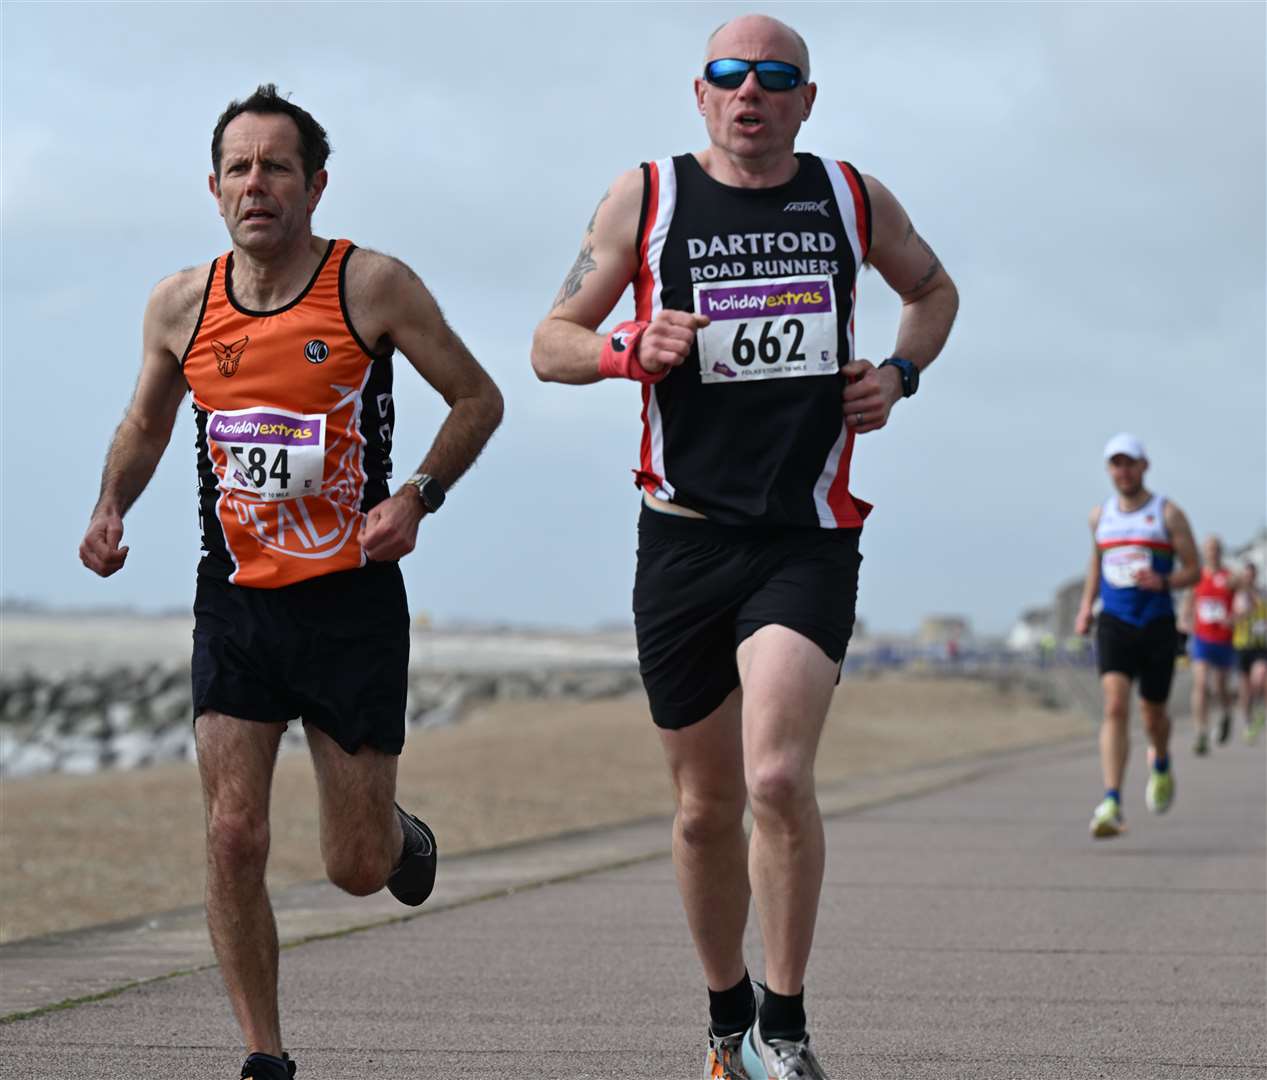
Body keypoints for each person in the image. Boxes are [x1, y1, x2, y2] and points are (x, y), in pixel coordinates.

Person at [531, 16, 958, 1079]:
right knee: (702, 807)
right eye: (731, 76)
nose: (751, 94)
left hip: (804, 539)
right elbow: (549, 344)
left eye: (775, 79)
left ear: (807, 100)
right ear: (701, 93)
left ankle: (787, 1020)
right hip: (679, 542)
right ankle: (726, 1015)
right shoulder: (646, 196)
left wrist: (898, 376)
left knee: (773, 777)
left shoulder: (849, 196)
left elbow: (933, 291)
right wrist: (627, 346)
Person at [77, 85, 503, 1080]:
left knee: (353, 868)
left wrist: (417, 498)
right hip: (234, 601)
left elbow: (477, 398)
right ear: (214, 187)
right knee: (232, 834)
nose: (255, 184)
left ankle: (397, 840)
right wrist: (110, 508)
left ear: (315, 184)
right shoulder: (183, 304)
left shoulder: (373, 287)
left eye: (276, 167)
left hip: (350, 601)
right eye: (238, 167)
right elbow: (144, 426)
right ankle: (265, 1055)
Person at [1074, 434, 1198, 839]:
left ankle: (1160, 761)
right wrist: (1084, 608)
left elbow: (1194, 571)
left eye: (1130, 463)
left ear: (1144, 467)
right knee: (1113, 706)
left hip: (1156, 624)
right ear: (1109, 470)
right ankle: (1112, 800)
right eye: (1116, 464)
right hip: (1114, 622)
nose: (1123, 471)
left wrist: (1163, 580)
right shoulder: (1101, 516)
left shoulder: (1168, 514)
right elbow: (1097, 562)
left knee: (1153, 715)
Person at [1182, 536, 1247, 752]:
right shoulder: (1197, 577)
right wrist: (1184, 621)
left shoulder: (1230, 577)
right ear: (1204, 552)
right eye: (1209, 549)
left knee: (1220, 688)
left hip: (1224, 640)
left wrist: (1236, 616)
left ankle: (1226, 714)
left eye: (1216, 549)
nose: (1212, 553)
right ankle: (1200, 733)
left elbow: (1246, 603)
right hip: (1202, 639)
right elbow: (1188, 603)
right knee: (1200, 685)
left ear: (1220, 551)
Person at [1232, 562, 1267, 744]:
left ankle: (1260, 710)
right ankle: (1248, 721)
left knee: (1260, 676)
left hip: (1260, 645)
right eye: (1246, 576)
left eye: (1251, 575)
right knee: (1245, 689)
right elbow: (1232, 618)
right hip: (1242, 645)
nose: (1249, 579)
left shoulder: (1262, 593)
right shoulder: (1238, 596)